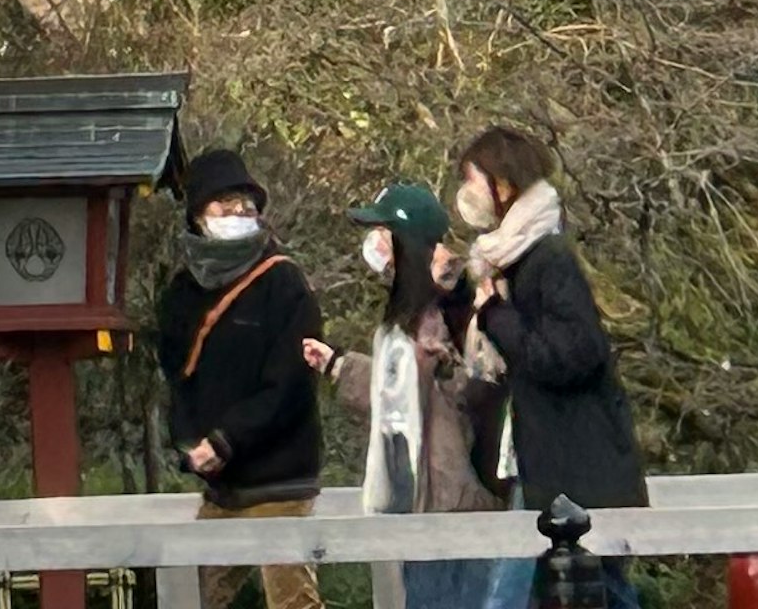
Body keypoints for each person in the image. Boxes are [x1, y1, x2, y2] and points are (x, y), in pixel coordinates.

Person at [451, 131, 640, 607]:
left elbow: (571, 354)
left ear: (503, 184)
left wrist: (495, 315)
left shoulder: (546, 261)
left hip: (573, 474)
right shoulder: (513, 262)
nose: (466, 194)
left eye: (472, 180)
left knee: (541, 594)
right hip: (542, 470)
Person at [314, 182, 512, 609]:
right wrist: (338, 366)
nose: (376, 247)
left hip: (452, 502)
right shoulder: (415, 311)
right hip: (428, 502)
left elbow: (462, 395)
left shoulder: (449, 311)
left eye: (384, 234)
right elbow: (397, 394)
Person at [160, 144, 326, 609]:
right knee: (199, 595)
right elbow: (178, 377)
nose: (238, 212)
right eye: (224, 203)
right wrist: (191, 442)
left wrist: (227, 439)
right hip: (221, 485)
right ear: (197, 214)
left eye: (246, 204)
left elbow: (291, 383)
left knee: (292, 600)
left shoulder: (283, 283)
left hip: (281, 479)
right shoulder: (181, 293)